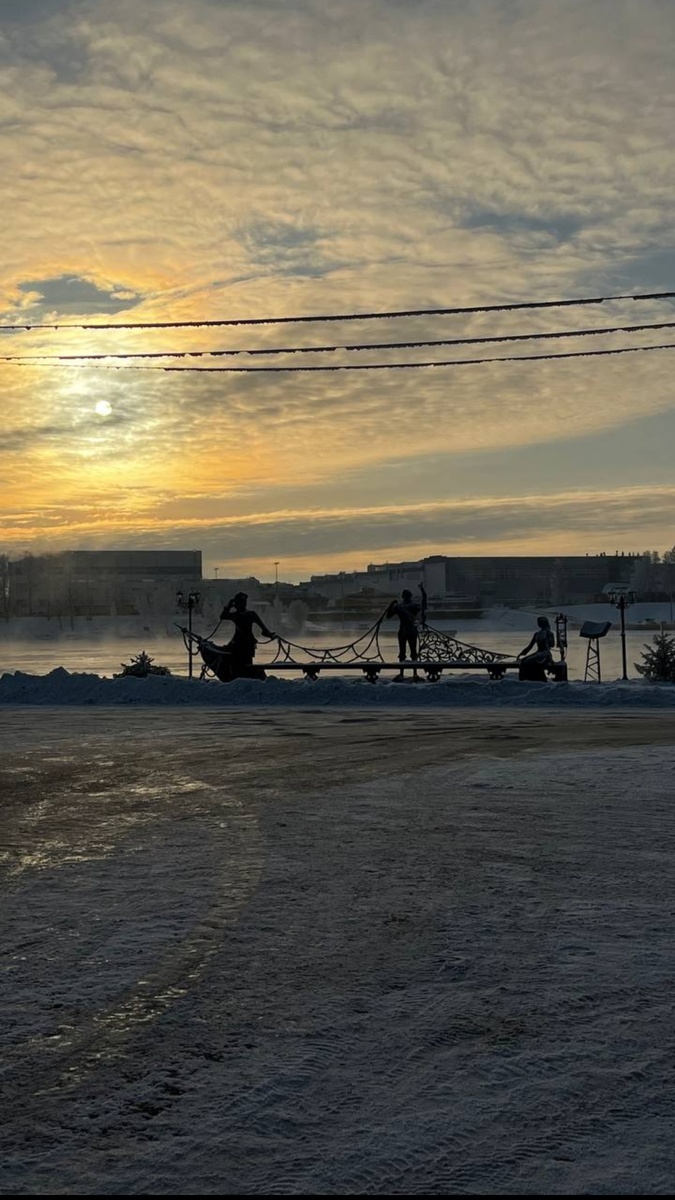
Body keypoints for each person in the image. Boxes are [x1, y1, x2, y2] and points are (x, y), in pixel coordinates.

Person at [219, 592, 276, 675]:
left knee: (239, 663)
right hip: (246, 644)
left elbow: (223, 616)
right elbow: (264, 630)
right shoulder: (250, 614)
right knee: (244, 663)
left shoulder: (238, 615)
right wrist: (269, 634)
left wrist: (228, 606)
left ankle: (237, 674)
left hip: (239, 645)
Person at [386, 583, 426, 681]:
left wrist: (391, 605)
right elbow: (424, 605)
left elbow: (388, 616)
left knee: (404, 653)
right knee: (411, 653)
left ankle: (403, 674)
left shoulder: (399, 606)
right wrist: (423, 591)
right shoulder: (411, 606)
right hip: (410, 630)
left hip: (403, 631)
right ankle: (413, 674)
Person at [517, 615, 555, 681]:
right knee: (523, 661)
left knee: (531, 662)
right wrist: (522, 653)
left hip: (545, 654)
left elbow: (552, 645)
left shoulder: (549, 633)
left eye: (540, 622)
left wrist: (546, 641)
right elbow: (530, 646)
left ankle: (536, 678)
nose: (539, 624)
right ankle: (523, 679)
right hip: (538, 653)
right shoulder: (537, 634)